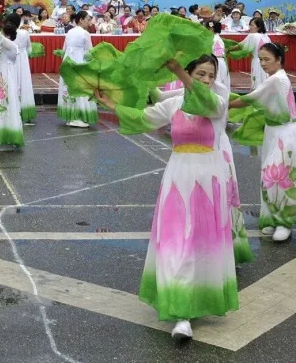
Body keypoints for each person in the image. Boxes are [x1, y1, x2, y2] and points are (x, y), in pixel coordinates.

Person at [95, 55, 238, 339]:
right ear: (190, 73)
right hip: (177, 177)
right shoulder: (173, 105)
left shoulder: (218, 104)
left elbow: (204, 102)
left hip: (208, 180)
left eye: (211, 75)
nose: (207, 80)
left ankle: (200, 299)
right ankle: (181, 312)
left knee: (202, 244)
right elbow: (142, 118)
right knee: (177, 242)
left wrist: (181, 75)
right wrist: (109, 103)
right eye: (200, 74)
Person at [230, 43, 296, 241]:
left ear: (279, 59)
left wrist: (223, 105)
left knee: (279, 177)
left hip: (286, 132)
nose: (262, 63)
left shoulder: (278, 79)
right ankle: (272, 218)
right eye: (261, 59)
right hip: (272, 131)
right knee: (269, 175)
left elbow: (251, 99)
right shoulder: (274, 78)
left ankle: (284, 221)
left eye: (267, 59)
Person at [0, 14, 25, 152]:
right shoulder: (2, 46)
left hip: (6, 77)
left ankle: (7, 137)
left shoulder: (12, 45)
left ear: (6, 34)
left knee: (6, 103)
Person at [58, 11, 98, 128]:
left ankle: (71, 116)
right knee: (80, 87)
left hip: (68, 61)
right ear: (81, 20)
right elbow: (90, 52)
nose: (89, 22)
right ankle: (78, 116)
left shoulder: (70, 32)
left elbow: (64, 50)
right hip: (79, 61)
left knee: (69, 87)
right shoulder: (85, 33)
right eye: (88, 19)